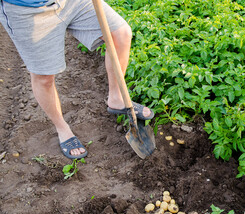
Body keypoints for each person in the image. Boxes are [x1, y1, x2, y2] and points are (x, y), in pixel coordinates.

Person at [0, 0, 154, 159]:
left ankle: (116, 98)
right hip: (27, 10)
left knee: (120, 34)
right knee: (43, 77)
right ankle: (62, 128)